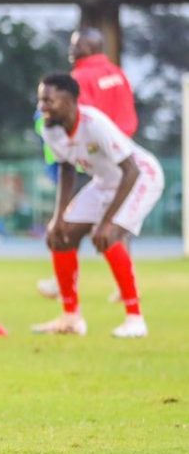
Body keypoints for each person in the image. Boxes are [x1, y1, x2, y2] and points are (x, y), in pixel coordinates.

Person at [33, 73, 163, 338]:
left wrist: (106, 222)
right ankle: (71, 318)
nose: (42, 107)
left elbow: (131, 171)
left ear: (70, 101)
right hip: (105, 181)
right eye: (40, 100)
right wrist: (58, 218)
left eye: (49, 100)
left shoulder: (95, 124)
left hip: (141, 178)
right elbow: (67, 170)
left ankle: (135, 319)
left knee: (109, 237)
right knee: (61, 236)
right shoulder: (49, 129)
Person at [36, 27, 139, 299]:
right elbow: (129, 110)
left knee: (73, 221)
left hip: (92, 152)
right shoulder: (118, 74)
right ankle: (123, 283)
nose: (72, 50)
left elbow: (77, 117)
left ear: (92, 47)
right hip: (123, 147)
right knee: (114, 220)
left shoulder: (80, 77)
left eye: (77, 45)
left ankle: (63, 283)